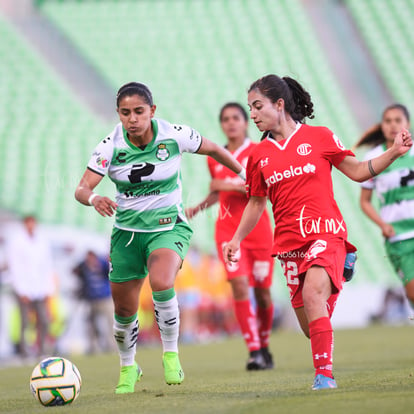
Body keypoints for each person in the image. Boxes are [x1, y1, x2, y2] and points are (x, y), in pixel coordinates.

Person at [223, 74, 412, 390]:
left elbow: (356, 171)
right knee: (311, 326)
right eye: (250, 108)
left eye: (257, 107)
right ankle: (344, 264)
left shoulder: (320, 137)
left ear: (279, 104)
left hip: (326, 233)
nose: (251, 115)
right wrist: (236, 239)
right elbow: (256, 203)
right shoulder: (257, 155)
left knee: (313, 295)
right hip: (289, 245)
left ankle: (324, 376)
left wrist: (393, 152)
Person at [74, 82, 245, 394]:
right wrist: (93, 198)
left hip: (168, 227)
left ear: (152, 111)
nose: (133, 118)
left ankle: (171, 355)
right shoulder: (109, 146)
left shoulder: (174, 134)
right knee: (124, 312)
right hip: (127, 235)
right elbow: (81, 188)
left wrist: (244, 174)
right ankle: (128, 367)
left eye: (139, 111)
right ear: (119, 115)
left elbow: (216, 149)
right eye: (125, 113)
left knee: (163, 281)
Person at [186, 102, 275, 370]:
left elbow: (261, 191)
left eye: (236, 117)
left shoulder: (259, 151)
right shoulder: (215, 156)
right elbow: (217, 191)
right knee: (238, 285)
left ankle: (265, 343)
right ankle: (254, 350)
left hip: (258, 230)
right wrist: (198, 207)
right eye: (225, 119)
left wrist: (227, 184)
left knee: (263, 294)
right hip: (227, 231)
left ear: (246, 122)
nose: (231, 123)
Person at [355, 104, 414, 311]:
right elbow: (364, 201)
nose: (393, 125)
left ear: (407, 124)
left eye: (398, 120)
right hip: (398, 238)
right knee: (412, 292)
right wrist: (382, 224)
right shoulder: (373, 157)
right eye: (388, 121)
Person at [6, 215, 55, 357]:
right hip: (24, 288)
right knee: (25, 322)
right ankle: (24, 352)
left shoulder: (42, 240)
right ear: (24, 224)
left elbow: (47, 265)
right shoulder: (17, 241)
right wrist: (21, 290)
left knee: (44, 321)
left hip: (40, 288)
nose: (31, 226)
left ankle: (42, 350)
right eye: (28, 223)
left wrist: (48, 288)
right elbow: (15, 266)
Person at [72, 250, 115, 354]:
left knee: (111, 323)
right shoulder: (84, 267)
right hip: (91, 300)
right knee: (91, 325)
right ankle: (94, 347)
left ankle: (112, 346)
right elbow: (74, 271)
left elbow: (112, 270)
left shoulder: (103, 264)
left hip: (105, 299)